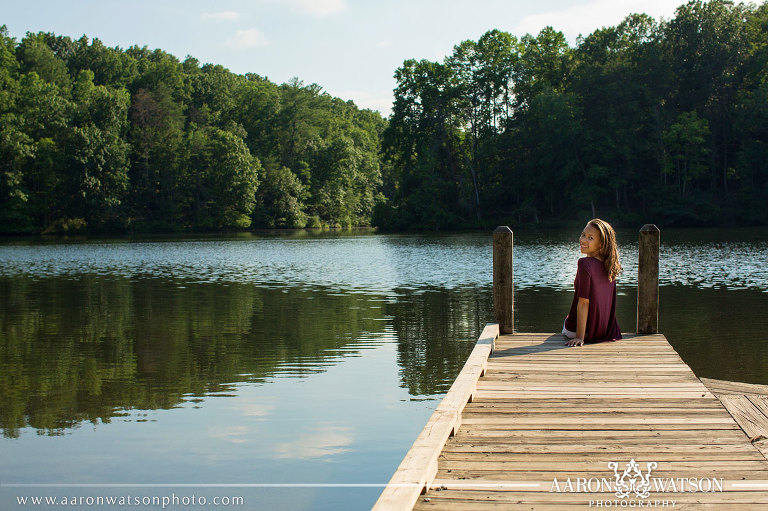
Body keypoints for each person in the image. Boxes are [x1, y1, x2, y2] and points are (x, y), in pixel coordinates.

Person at [562, 218, 622, 347]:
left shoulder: (585, 264)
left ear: (601, 244)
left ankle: (578, 332)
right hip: (606, 332)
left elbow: (584, 302)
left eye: (590, 238)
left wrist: (579, 337)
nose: (583, 240)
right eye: (583, 235)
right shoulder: (610, 266)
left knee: (566, 321)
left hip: (582, 332)